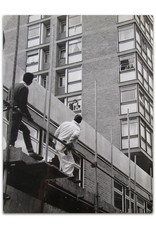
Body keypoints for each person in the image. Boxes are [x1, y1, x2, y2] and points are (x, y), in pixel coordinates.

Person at [6, 72, 43, 161]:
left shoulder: (14, 85)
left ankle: (30, 151)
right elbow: (23, 104)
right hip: (15, 113)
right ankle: (10, 149)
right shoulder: (24, 88)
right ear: (29, 80)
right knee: (13, 132)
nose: (31, 82)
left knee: (25, 130)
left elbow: (8, 98)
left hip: (9, 112)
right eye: (31, 80)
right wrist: (29, 116)